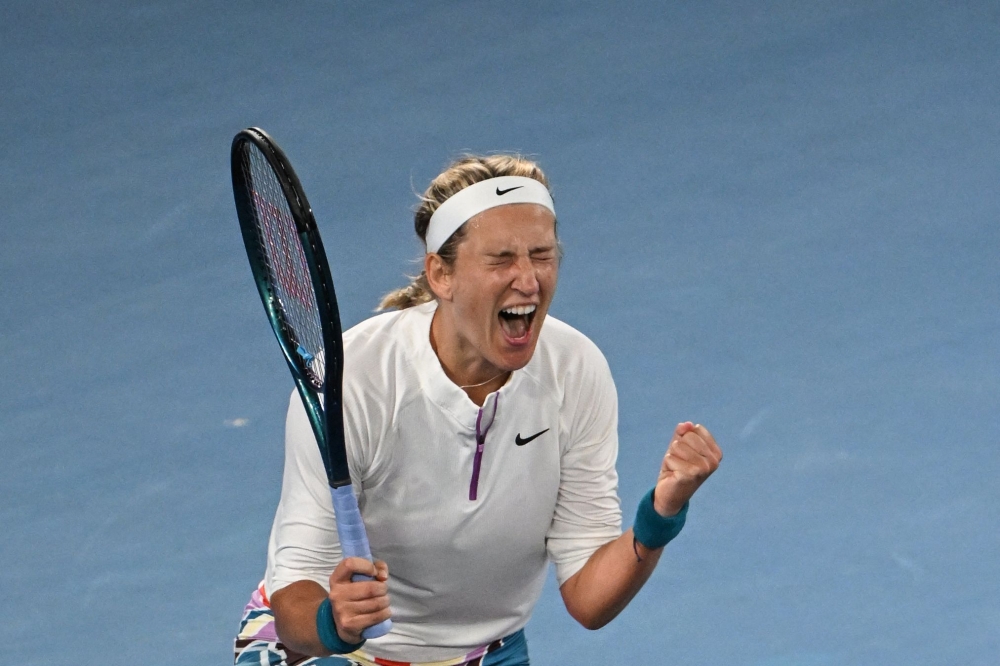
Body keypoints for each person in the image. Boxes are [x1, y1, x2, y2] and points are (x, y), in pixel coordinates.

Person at [233, 154, 722, 666]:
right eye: (501, 260)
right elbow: (294, 596)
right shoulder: (354, 381)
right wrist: (332, 623)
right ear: (441, 275)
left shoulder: (576, 372)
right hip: (321, 648)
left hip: (481, 653)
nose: (529, 280)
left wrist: (661, 514)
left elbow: (588, 598)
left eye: (542, 254)